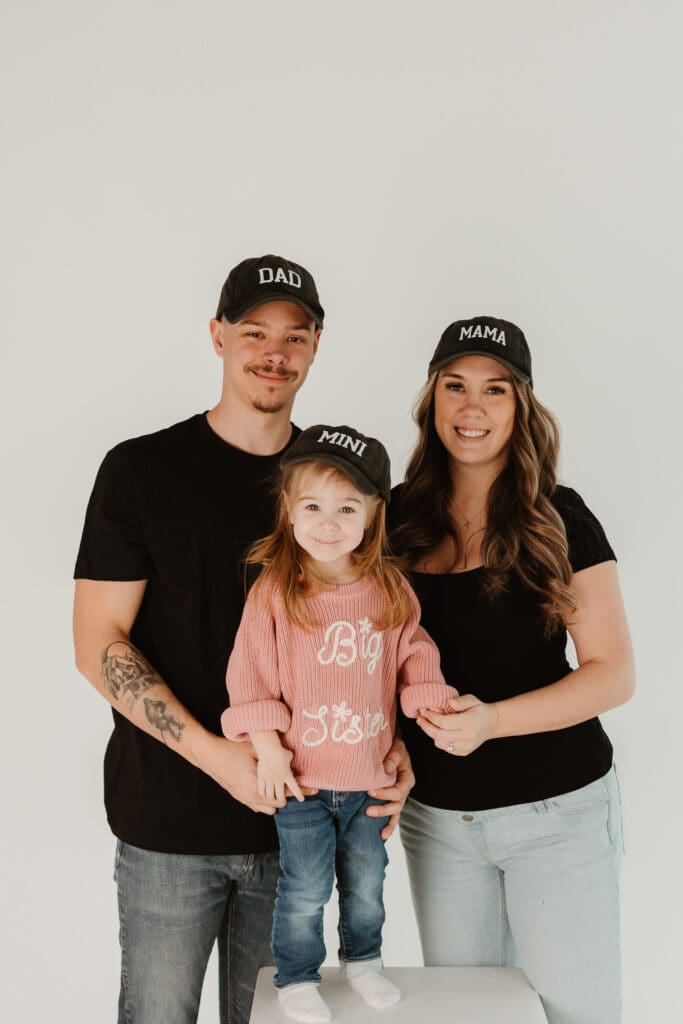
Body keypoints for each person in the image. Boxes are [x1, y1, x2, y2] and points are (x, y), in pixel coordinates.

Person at [72, 255, 414, 1024]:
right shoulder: (141, 471)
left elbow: (384, 638)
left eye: (294, 336)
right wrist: (220, 758)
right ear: (218, 336)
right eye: (254, 331)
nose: (274, 352)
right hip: (169, 825)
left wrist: (392, 749)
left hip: (306, 826)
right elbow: (99, 642)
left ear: (317, 345)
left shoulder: (339, 487)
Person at [389, 316, 635, 1024]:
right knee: (467, 1017)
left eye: (494, 390)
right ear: (430, 399)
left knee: (577, 1016)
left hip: (556, 814)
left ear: (520, 406)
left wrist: (493, 721)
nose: (472, 408)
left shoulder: (559, 517)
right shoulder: (396, 518)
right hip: (436, 821)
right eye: (454, 386)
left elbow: (613, 673)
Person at [222, 424, 457, 1024]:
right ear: (290, 511)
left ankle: (364, 962)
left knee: (367, 884)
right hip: (301, 782)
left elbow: (413, 647)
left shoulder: (387, 588)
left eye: (346, 507)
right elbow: (250, 675)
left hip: (369, 779)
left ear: (372, 516)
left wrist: (425, 692)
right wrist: (269, 751)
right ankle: (298, 975)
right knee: (303, 889)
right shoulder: (276, 590)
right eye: (313, 507)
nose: (329, 523)